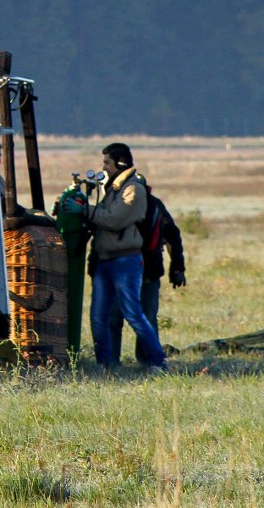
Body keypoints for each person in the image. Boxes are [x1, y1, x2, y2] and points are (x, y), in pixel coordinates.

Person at [62, 142, 167, 371]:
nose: (105, 167)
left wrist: (85, 211)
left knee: (133, 314)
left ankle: (157, 361)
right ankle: (105, 364)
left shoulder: (132, 189)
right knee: (98, 317)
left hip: (125, 261)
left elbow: (114, 219)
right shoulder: (113, 188)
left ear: (120, 163)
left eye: (107, 163)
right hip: (105, 260)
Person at [104, 174, 187, 365]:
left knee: (115, 319)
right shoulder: (153, 204)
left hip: (129, 272)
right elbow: (173, 236)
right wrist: (177, 268)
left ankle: (111, 362)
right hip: (146, 271)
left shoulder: (118, 205)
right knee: (144, 318)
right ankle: (148, 362)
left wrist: (177, 268)